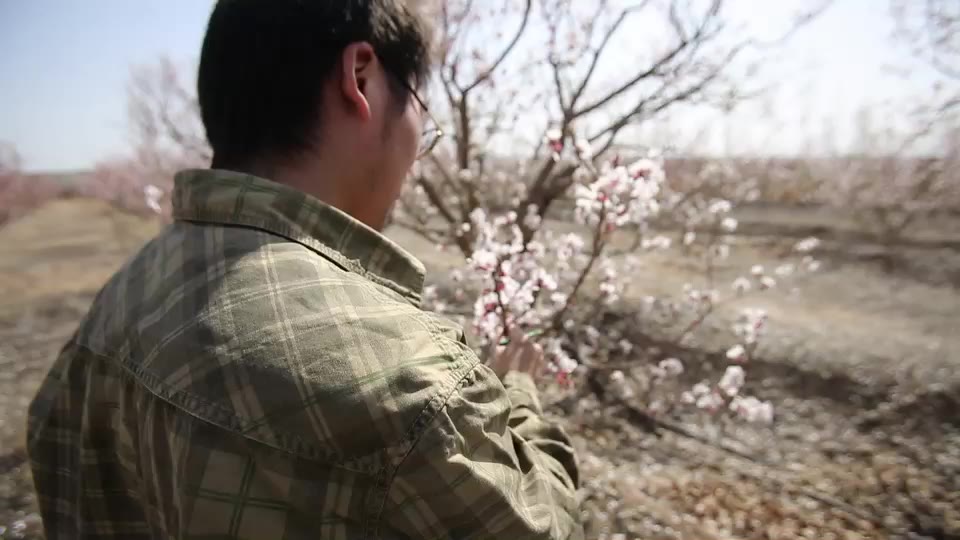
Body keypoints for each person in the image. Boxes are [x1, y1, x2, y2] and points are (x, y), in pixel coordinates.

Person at [26, 1, 583, 538]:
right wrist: (518, 398)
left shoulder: (110, 312)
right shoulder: (414, 387)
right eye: (419, 107)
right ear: (361, 78)